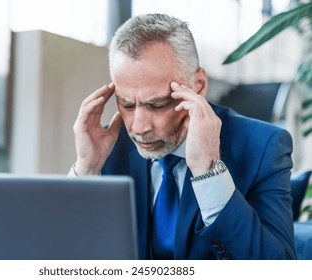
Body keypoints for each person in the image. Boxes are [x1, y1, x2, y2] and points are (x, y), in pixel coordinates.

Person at [70, 13, 296, 260]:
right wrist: (87, 170)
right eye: (126, 104)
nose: (139, 127)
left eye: (157, 104)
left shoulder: (264, 147)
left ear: (198, 85)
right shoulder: (107, 146)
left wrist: (209, 173)